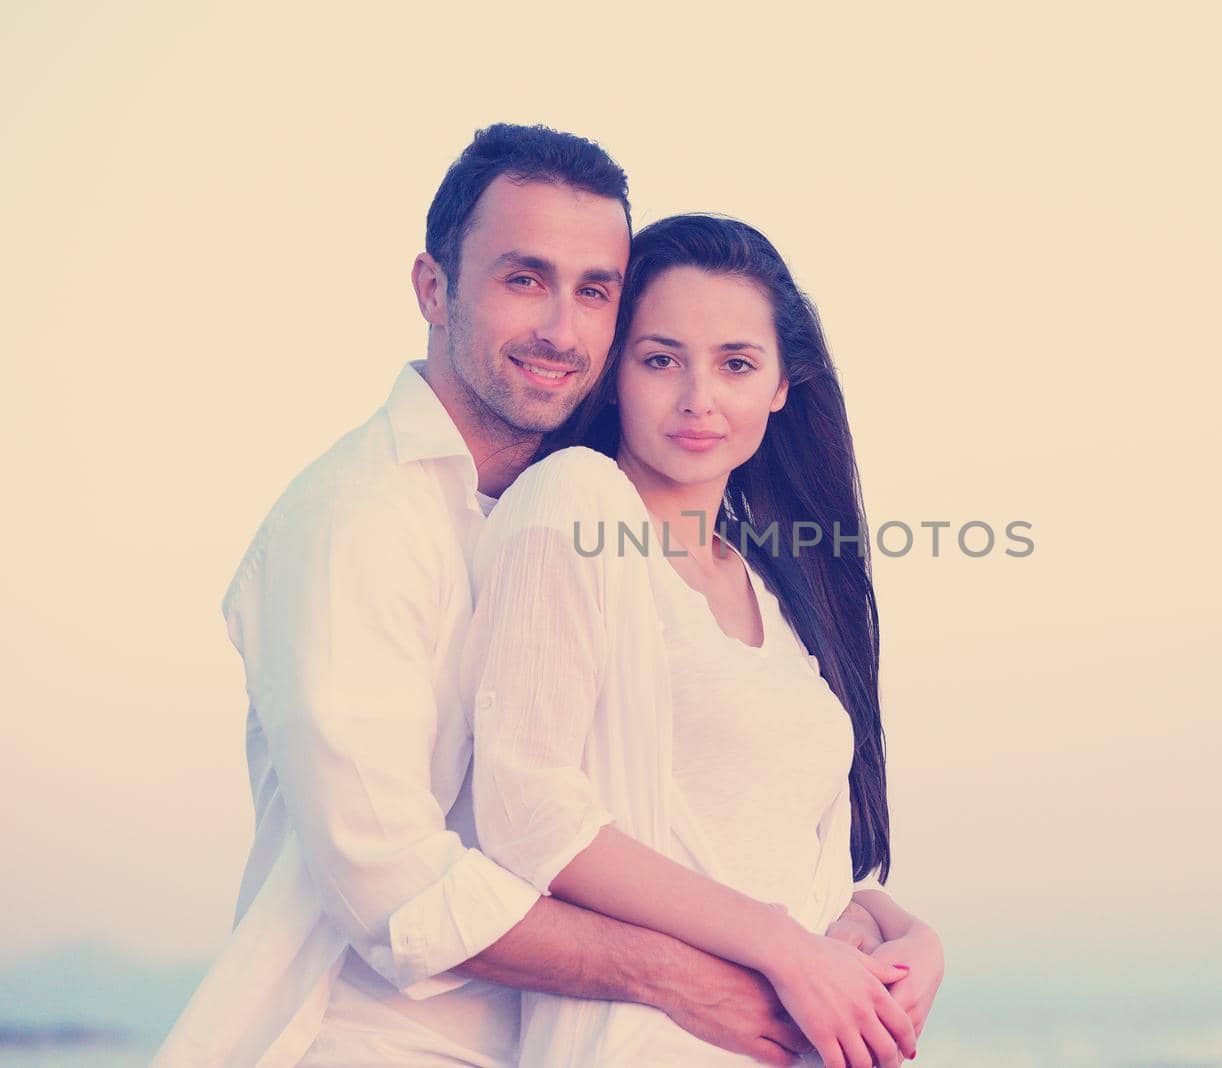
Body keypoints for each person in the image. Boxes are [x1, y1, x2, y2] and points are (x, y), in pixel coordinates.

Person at [154, 125, 884, 1068]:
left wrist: (874, 927)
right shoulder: (360, 519)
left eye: (595, 292)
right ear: (432, 287)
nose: (561, 328)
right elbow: (398, 889)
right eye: (523, 279)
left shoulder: (594, 521)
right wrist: (696, 975)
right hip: (374, 1041)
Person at [464, 214, 945, 1068]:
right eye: (660, 360)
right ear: (615, 374)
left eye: (736, 364)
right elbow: (530, 816)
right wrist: (783, 948)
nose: (699, 398)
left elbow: (780, 850)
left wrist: (898, 930)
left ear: (782, 385)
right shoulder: (575, 501)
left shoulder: (779, 585)